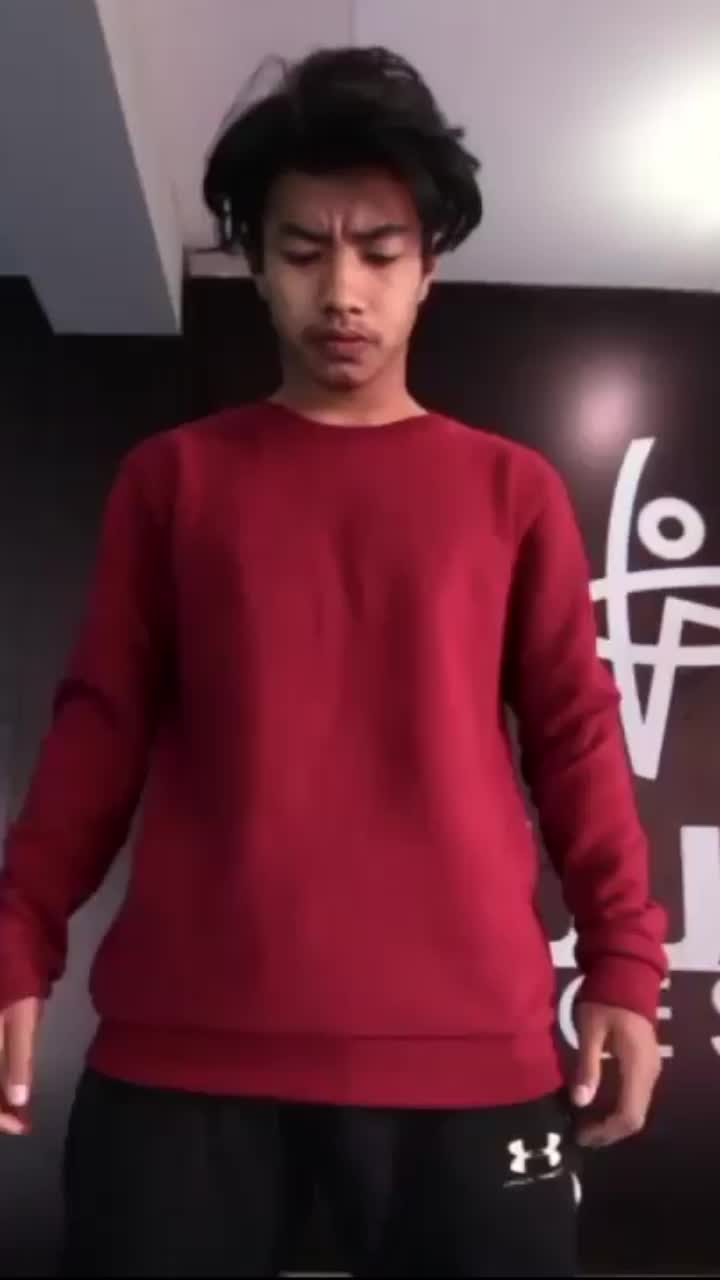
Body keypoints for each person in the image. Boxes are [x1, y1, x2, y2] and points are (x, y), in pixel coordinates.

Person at [0, 45, 666, 1277]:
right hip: (188, 1055)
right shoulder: (174, 482)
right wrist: (17, 929)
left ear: (428, 269)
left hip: (470, 1055)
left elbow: (576, 735)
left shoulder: (511, 490)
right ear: (258, 266)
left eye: (379, 252)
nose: (342, 291)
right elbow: (99, 726)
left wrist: (626, 960)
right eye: (304, 251)